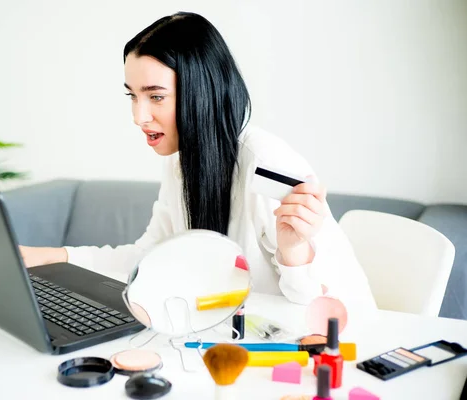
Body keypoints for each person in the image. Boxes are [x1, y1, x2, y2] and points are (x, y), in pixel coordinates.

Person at [20, 12, 376, 308]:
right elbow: (148, 258)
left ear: (200, 92)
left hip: (333, 343)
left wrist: (294, 252)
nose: (138, 116)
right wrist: (53, 256)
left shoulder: (265, 164)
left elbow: (313, 306)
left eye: (155, 97)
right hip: (237, 335)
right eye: (133, 96)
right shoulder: (181, 162)